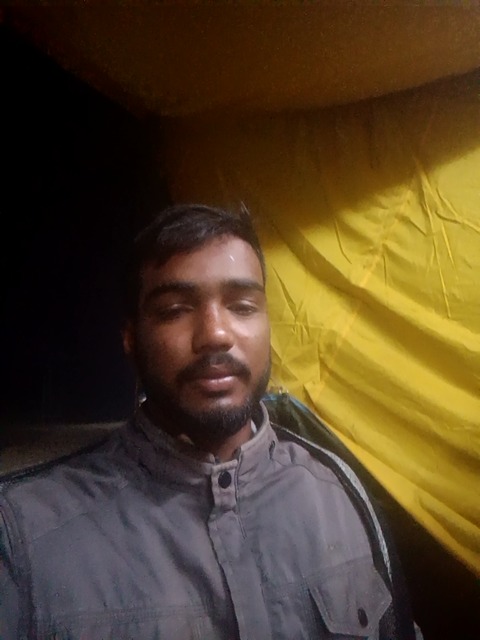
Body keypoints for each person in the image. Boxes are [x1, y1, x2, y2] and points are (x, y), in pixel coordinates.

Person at [0, 204, 418, 639]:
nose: (215, 334)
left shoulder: (340, 492)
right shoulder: (22, 536)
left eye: (242, 306)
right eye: (174, 310)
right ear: (131, 339)